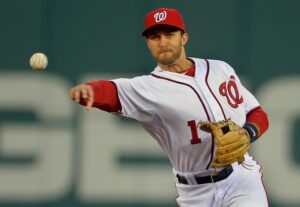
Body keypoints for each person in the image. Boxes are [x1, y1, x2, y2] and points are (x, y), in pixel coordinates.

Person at [69, 8, 269, 207]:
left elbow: (256, 113)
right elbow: (112, 91)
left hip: (241, 179)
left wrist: (248, 133)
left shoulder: (219, 69)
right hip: (195, 192)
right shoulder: (148, 87)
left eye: (169, 34)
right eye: (155, 37)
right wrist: (89, 91)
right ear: (148, 44)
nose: (163, 42)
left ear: (184, 38)